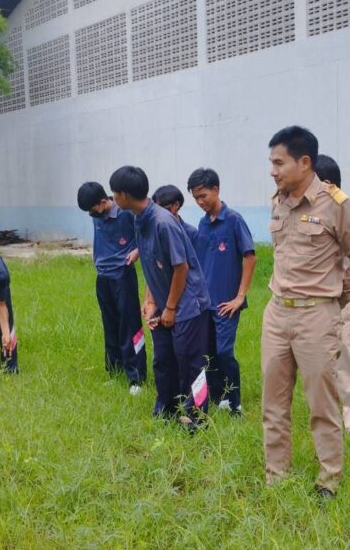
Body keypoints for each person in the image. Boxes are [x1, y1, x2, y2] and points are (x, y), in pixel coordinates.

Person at [263, 126, 350, 498]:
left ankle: (329, 479)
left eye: (279, 163)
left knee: (321, 404)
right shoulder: (277, 201)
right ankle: (276, 475)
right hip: (277, 313)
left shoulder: (336, 204)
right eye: (271, 163)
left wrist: (336, 300)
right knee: (273, 403)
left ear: (304, 162)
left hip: (316, 316)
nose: (273, 171)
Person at [109, 165, 212, 431]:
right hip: (165, 302)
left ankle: (198, 419)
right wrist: (151, 300)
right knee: (163, 359)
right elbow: (152, 262)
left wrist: (170, 308)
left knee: (190, 362)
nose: (113, 199)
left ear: (124, 195)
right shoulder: (138, 219)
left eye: (114, 193)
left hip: (187, 303)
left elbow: (181, 268)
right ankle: (166, 410)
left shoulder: (163, 222)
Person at [187, 167, 257, 417]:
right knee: (209, 354)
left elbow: (250, 257)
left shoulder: (234, 220)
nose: (200, 202)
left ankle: (235, 402)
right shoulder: (203, 224)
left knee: (225, 352)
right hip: (205, 303)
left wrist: (240, 297)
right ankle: (218, 397)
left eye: (203, 196)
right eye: (196, 198)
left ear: (216, 190)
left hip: (227, 304)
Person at [313, 154, 350, 437]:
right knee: (320, 362)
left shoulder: (344, 211)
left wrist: (343, 297)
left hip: (341, 298)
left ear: (328, 184)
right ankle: (327, 419)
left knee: (346, 359)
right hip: (314, 302)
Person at [77, 181, 147, 395]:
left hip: (123, 275)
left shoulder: (126, 213)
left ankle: (136, 376)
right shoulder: (96, 215)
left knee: (129, 325)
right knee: (110, 325)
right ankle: (115, 371)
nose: (92, 214)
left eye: (93, 210)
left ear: (103, 201)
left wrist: (137, 251)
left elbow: (146, 235)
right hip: (103, 276)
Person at [152, 184, 204, 257]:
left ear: (176, 205)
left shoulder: (191, 233)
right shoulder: (156, 232)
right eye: (156, 208)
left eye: (162, 208)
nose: (158, 212)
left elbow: (199, 259)